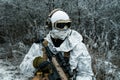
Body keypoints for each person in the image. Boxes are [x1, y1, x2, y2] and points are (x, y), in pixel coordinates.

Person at [20, 8, 94, 80]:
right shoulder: (40, 46)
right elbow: (23, 70)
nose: (65, 28)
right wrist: (35, 62)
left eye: (67, 25)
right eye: (60, 25)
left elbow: (86, 74)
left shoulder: (78, 47)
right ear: (51, 25)